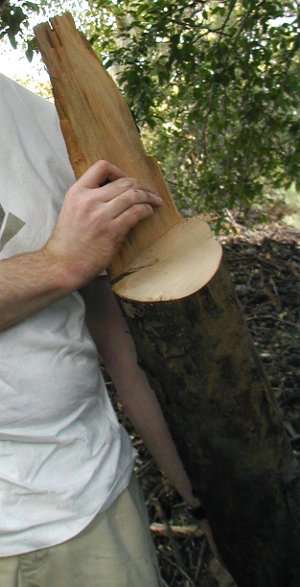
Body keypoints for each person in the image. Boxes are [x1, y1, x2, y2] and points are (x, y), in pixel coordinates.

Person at [0, 8, 217, 587]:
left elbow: (117, 340)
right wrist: (57, 264)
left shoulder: (51, 125)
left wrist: (200, 501)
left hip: (98, 502)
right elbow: (69, 267)